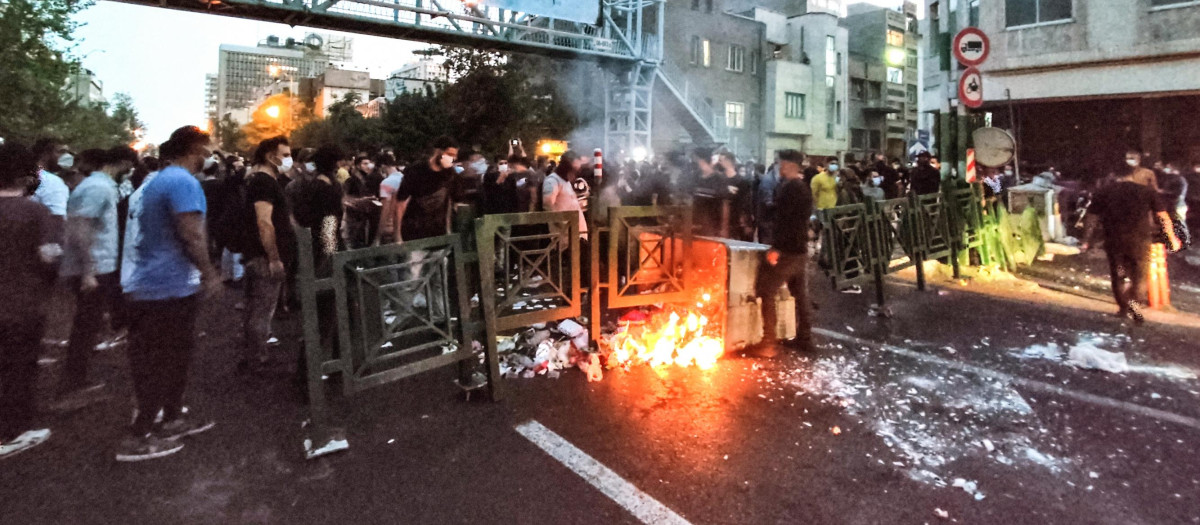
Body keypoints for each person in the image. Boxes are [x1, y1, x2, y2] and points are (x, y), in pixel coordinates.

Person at [119, 125, 219, 462]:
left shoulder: (158, 180)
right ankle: (139, 435)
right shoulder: (181, 181)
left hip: (159, 284)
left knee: (174, 357)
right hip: (164, 287)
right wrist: (209, 274)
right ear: (194, 149)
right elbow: (191, 235)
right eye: (208, 148)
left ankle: (172, 417)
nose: (211, 154)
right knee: (159, 361)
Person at [55, 147, 137, 407]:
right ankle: (72, 387)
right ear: (122, 163)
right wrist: (89, 270)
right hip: (94, 268)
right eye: (129, 165)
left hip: (96, 266)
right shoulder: (98, 188)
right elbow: (81, 228)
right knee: (85, 326)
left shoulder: (99, 186)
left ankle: (76, 382)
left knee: (87, 324)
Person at [0, 142, 60, 459]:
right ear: (25, 177)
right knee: (19, 369)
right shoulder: (35, 212)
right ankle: (13, 432)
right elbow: (49, 258)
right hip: (22, 305)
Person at [1082, 166, 1181, 324]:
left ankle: (1123, 309)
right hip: (1139, 241)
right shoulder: (1147, 192)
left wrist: (1086, 239)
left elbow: (1091, 217)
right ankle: (1134, 307)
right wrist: (1171, 238)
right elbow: (1163, 217)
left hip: (1114, 240)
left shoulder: (1105, 191)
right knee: (1140, 276)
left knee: (1119, 273)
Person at [237, 136, 296, 374]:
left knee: (256, 308)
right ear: (270, 156)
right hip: (264, 258)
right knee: (262, 310)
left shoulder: (266, 180)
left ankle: (252, 355)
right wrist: (273, 257)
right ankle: (257, 359)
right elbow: (264, 222)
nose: (288, 159)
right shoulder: (263, 183)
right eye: (284, 155)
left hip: (260, 255)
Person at [751, 149, 814, 355]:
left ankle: (768, 342)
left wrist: (776, 248)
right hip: (800, 249)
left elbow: (785, 222)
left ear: (790, 166)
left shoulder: (790, 189)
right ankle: (805, 339)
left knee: (765, 289)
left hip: (787, 250)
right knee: (800, 294)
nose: (780, 167)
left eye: (782, 164)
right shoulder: (803, 188)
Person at [31, 138, 72, 241]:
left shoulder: (20, 177)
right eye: (61, 152)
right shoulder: (53, 182)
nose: (67, 157)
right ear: (45, 154)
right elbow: (57, 223)